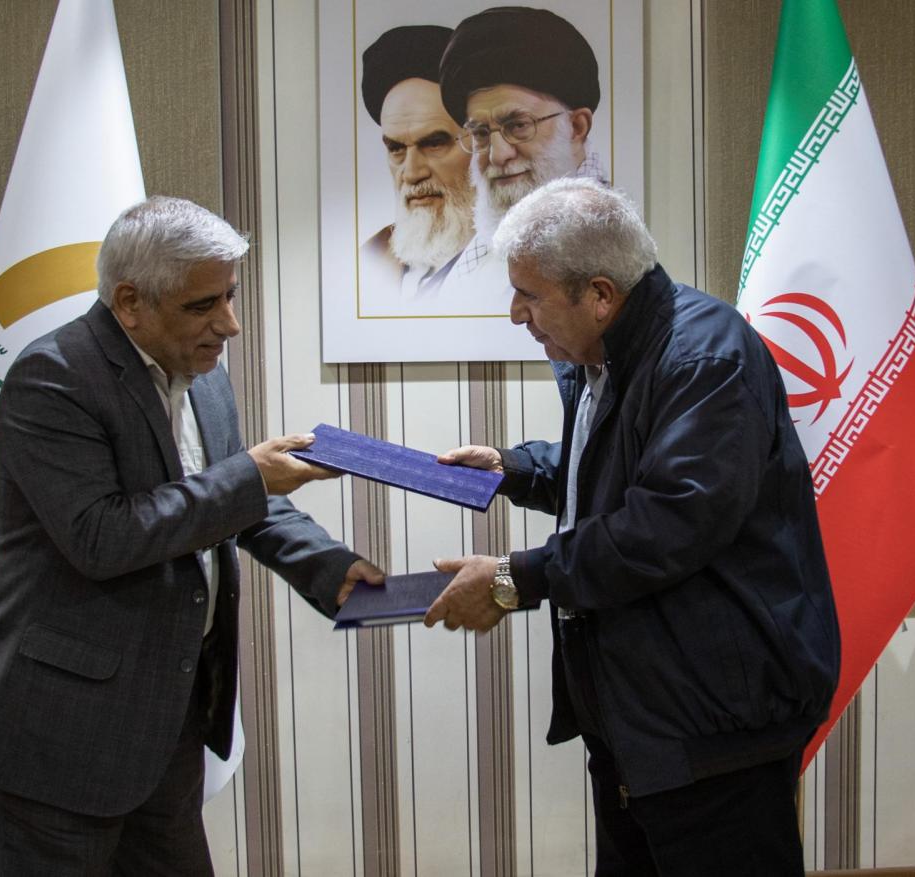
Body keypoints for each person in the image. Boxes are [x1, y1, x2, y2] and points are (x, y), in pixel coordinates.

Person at [0, 196, 384, 875]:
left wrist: (326, 565)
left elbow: (235, 502)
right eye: (203, 304)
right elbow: (101, 536)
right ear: (130, 302)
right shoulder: (54, 377)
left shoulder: (203, 373)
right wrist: (249, 475)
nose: (229, 324)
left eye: (230, 296)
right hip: (57, 739)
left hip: (165, 724)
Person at [425, 178, 840, 876]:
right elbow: (615, 468)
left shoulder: (705, 358)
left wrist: (512, 579)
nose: (515, 313)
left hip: (714, 730)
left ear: (599, 294)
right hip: (640, 716)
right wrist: (514, 468)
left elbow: (667, 522)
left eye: (528, 295)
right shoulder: (608, 354)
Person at [437, 7, 607, 293]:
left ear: (576, 127)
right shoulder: (458, 268)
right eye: (481, 134)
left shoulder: (609, 247)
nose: (497, 155)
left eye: (518, 126)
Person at [358, 25, 475, 314]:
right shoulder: (372, 257)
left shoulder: (517, 262)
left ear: (481, 143)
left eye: (434, 144)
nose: (411, 173)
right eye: (396, 148)